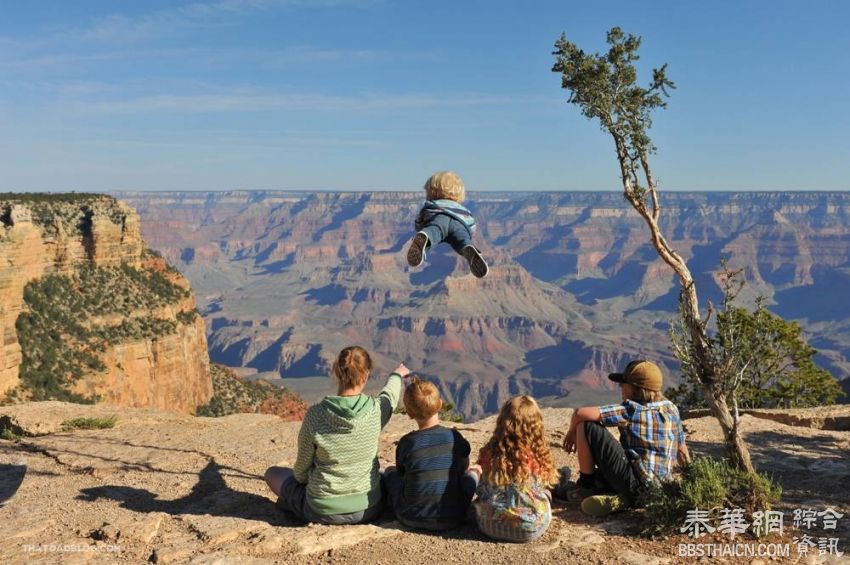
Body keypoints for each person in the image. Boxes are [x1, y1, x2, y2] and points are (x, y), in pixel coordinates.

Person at [264, 346, 407, 524]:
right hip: (369, 508)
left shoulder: (316, 415)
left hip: (321, 509)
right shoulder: (376, 411)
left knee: (272, 473)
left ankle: (293, 505)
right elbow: (390, 396)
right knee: (385, 471)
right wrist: (397, 374)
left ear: (336, 372)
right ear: (367, 375)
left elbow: (300, 473)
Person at [558, 360, 691, 517]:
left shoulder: (632, 410)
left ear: (637, 389)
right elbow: (682, 450)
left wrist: (572, 432)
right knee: (615, 468)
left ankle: (586, 488)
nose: (620, 387)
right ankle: (621, 500)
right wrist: (692, 481)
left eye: (624, 384)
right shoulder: (671, 408)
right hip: (659, 490)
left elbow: (580, 413)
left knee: (586, 426)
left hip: (634, 483)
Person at [382, 378, 477, 530]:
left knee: (389, 471)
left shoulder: (407, 442)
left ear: (409, 413)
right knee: (471, 476)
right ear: (440, 404)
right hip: (453, 517)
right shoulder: (454, 437)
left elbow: (402, 473)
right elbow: (464, 466)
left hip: (410, 517)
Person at [473, 395, 558, 542]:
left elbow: (481, 487)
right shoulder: (538, 453)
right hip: (531, 528)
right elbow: (547, 481)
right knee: (546, 493)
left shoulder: (490, 452)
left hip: (490, 526)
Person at [406, 170, 488, 278]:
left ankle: (425, 238)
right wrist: (469, 235)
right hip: (460, 223)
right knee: (461, 241)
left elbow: (422, 218)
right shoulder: (463, 210)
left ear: (432, 192)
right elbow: (471, 224)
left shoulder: (433, 205)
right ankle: (468, 246)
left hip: (438, 219)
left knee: (433, 232)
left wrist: (420, 228)